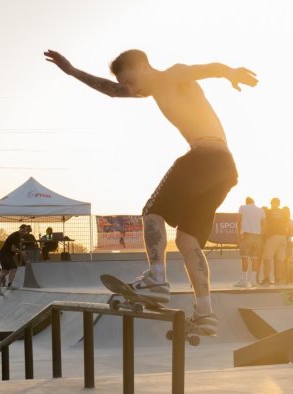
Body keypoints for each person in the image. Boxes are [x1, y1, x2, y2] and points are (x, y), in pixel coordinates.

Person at [45, 49, 256, 335]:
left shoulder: (174, 74)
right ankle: (205, 312)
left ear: (144, 66)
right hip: (224, 169)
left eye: (132, 80)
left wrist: (229, 71)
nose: (131, 90)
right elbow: (112, 90)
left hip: (204, 156)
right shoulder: (150, 90)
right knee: (187, 239)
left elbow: (204, 68)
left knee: (152, 212)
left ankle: (157, 279)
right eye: (128, 85)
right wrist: (73, 71)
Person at [235, 197, 265, 288]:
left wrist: (238, 236)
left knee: (244, 257)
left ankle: (244, 280)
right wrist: (260, 236)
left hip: (247, 235)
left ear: (246, 202)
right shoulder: (261, 210)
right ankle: (253, 281)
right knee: (254, 258)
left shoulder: (242, 207)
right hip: (258, 236)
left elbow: (239, 222)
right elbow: (264, 225)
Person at [260, 198, 288, 285]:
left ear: (271, 203)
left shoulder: (268, 212)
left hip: (273, 236)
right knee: (280, 260)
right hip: (283, 237)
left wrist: (264, 236)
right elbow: (287, 226)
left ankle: (266, 279)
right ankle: (279, 280)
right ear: (279, 204)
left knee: (267, 259)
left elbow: (265, 224)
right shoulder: (284, 212)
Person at [0, 224, 28, 294]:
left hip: (4, 254)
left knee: (5, 271)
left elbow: (14, 247)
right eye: (21, 230)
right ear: (19, 229)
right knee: (14, 268)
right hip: (5, 255)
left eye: (24, 231)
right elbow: (13, 249)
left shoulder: (18, 236)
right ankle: (9, 285)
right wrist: (21, 252)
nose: (22, 232)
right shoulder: (15, 236)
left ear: (26, 232)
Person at [283, 207, 293, 283]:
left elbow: (292, 233)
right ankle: (284, 278)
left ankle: (288, 278)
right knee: (283, 261)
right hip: (284, 243)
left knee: (287, 261)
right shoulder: (290, 221)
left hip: (288, 243)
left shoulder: (290, 221)